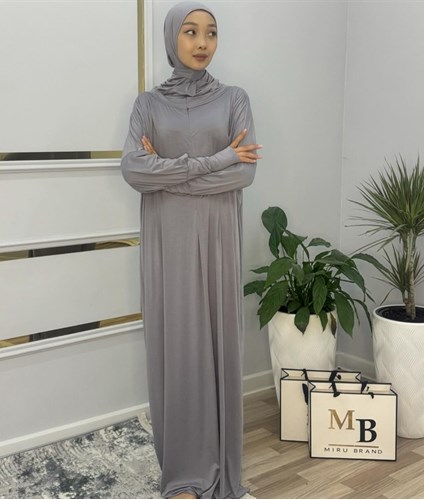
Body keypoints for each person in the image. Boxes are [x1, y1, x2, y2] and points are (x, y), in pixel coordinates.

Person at [121, 2, 261, 498]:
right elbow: (134, 171)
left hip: (218, 235)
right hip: (169, 238)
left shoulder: (234, 99)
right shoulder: (147, 105)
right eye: (190, 32)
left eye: (211, 33)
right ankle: (182, 472)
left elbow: (244, 174)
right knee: (176, 343)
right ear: (171, 38)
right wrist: (217, 159)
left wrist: (167, 174)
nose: (202, 43)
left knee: (218, 341)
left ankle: (218, 465)